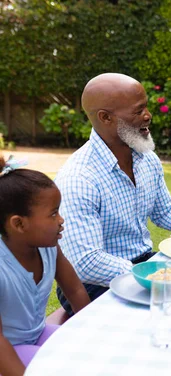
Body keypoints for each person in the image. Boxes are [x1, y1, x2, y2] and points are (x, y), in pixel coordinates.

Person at [54, 73, 171, 316]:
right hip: (91, 284)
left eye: (146, 107)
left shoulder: (145, 157)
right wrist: (151, 273)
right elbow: (85, 263)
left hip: (142, 264)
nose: (148, 115)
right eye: (138, 111)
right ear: (105, 117)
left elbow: (164, 211)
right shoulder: (79, 178)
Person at [0, 156, 90, 375]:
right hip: (7, 350)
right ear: (19, 223)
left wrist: (91, 335)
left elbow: (75, 289)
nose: (61, 220)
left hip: (38, 334)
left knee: (86, 355)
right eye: (53, 214)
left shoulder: (48, 247)